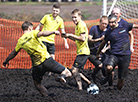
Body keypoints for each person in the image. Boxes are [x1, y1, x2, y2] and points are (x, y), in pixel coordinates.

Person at [2, 21, 72, 97]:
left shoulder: (20, 41)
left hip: (37, 66)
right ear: (29, 28)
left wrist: (6, 60)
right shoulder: (33, 33)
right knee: (68, 72)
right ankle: (62, 76)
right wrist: (53, 32)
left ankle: (46, 97)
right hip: (47, 60)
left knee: (37, 83)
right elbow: (42, 33)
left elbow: (14, 53)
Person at [96, 14, 138, 90]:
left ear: (116, 21)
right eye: (110, 22)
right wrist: (98, 53)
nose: (111, 24)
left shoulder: (124, 25)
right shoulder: (108, 32)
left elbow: (135, 26)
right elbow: (103, 43)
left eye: (113, 22)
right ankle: (107, 77)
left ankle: (117, 91)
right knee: (109, 67)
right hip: (114, 55)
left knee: (121, 79)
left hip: (125, 55)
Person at [62, 9, 91, 90]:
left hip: (83, 52)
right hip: (81, 52)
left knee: (74, 71)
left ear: (80, 16)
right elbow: (77, 39)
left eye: (75, 17)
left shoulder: (81, 25)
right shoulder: (78, 25)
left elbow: (82, 38)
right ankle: (89, 83)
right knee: (76, 71)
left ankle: (80, 88)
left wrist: (71, 34)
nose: (74, 19)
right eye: (72, 18)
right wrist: (68, 36)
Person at [88, 16, 110, 83]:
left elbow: (110, 43)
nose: (104, 25)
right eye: (103, 23)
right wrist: (99, 39)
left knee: (108, 68)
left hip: (102, 52)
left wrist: (105, 49)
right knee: (100, 65)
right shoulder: (94, 29)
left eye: (106, 24)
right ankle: (93, 74)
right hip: (92, 52)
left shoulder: (108, 31)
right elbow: (89, 40)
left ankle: (110, 84)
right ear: (99, 22)